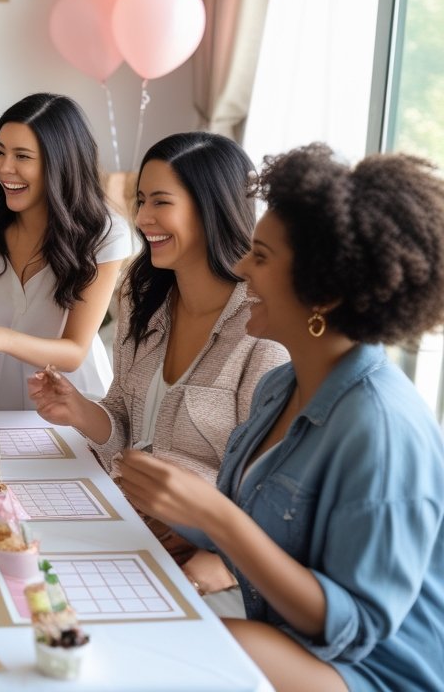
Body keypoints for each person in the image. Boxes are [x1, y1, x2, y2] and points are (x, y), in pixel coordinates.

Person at [118, 144, 444, 692]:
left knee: (190, 648)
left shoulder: (381, 429)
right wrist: (176, 508)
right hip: (288, 639)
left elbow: (352, 625)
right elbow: (265, 532)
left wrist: (218, 521)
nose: (242, 267)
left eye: (262, 257)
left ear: (324, 291)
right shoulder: (281, 387)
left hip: (368, 671)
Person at [29, 133, 287, 615]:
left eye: (161, 202)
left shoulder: (263, 325)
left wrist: (221, 562)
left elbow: (271, 481)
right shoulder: (141, 293)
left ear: (211, 208)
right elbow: (124, 420)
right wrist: (81, 412)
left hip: (208, 560)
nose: (143, 218)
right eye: (141, 200)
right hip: (123, 521)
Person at [0, 93, 131, 407]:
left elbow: (75, 352)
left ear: (61, 162)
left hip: (67, 396)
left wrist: (0, 338)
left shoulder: (106, 235)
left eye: (22, 156)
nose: (5, 168)